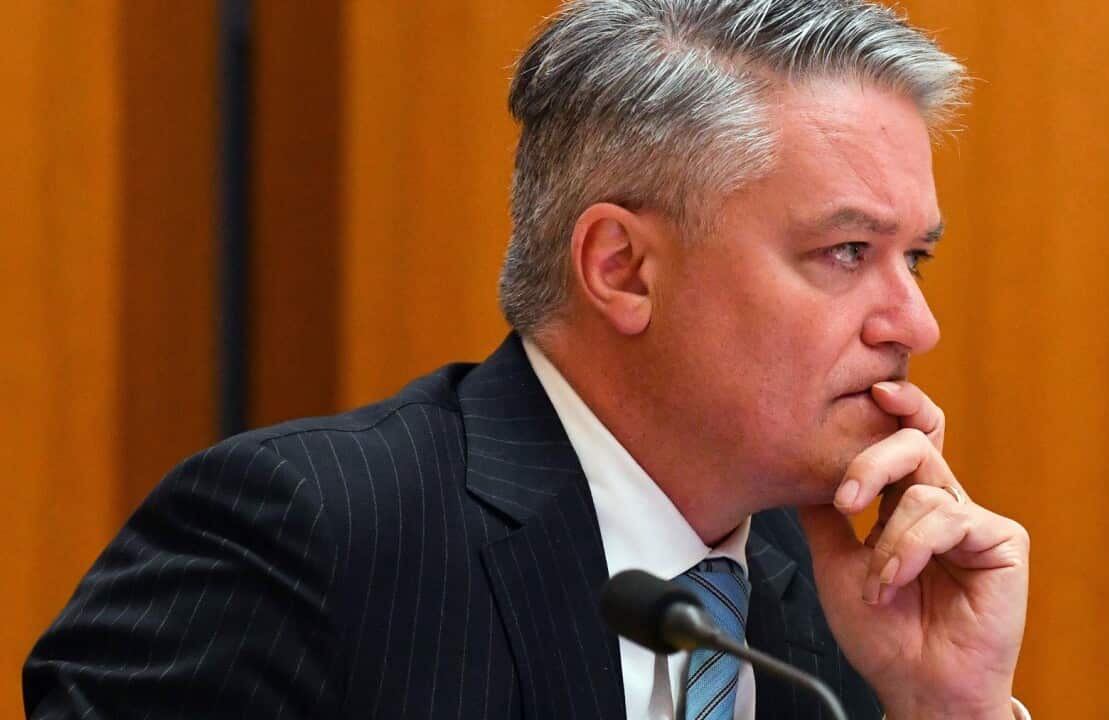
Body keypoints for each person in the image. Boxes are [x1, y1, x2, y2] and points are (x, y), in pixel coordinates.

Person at [24, 1, 1031, 718]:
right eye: (846, 253)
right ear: (621, 267)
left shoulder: (839, 588)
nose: (913, 322)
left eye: (917, 257)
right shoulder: (317, 533)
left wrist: (949, 710)